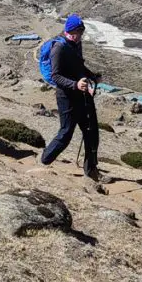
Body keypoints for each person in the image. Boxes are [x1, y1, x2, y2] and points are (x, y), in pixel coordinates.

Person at [39, 14, 106, 181]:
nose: (81, 35)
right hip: (66, 96)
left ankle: (91, 171)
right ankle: (44, 160)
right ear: (70, 31)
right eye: (78, 31)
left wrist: (91, 76)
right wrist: (75, 85)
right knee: (66, 132)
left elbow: (79, 66)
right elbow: (56, 76)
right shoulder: (59, 48)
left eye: (81, 31)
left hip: (82, 93)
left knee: (92, 132)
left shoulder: (76, 44)